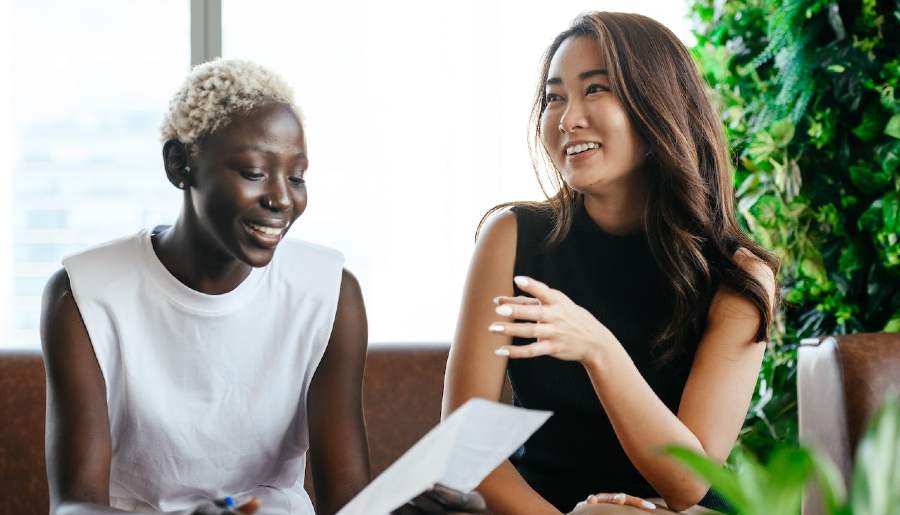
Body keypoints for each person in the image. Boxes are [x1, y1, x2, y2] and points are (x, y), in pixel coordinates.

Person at [41, 59, 483, 515]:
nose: (282, 199)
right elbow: (75, 506)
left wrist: (403, 510)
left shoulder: (329, 293)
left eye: (296, 177)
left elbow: (346, 503)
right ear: (180, 165)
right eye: (254, 173)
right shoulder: (84, 295)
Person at [442, 12, 778, 515]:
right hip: (536, 505)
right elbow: (466, 445)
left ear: (658, 105)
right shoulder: (511, 238)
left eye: (595, 89)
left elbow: (691, 480)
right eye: (554, 97)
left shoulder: (737, 277)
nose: (567, 118)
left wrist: (599, 349)